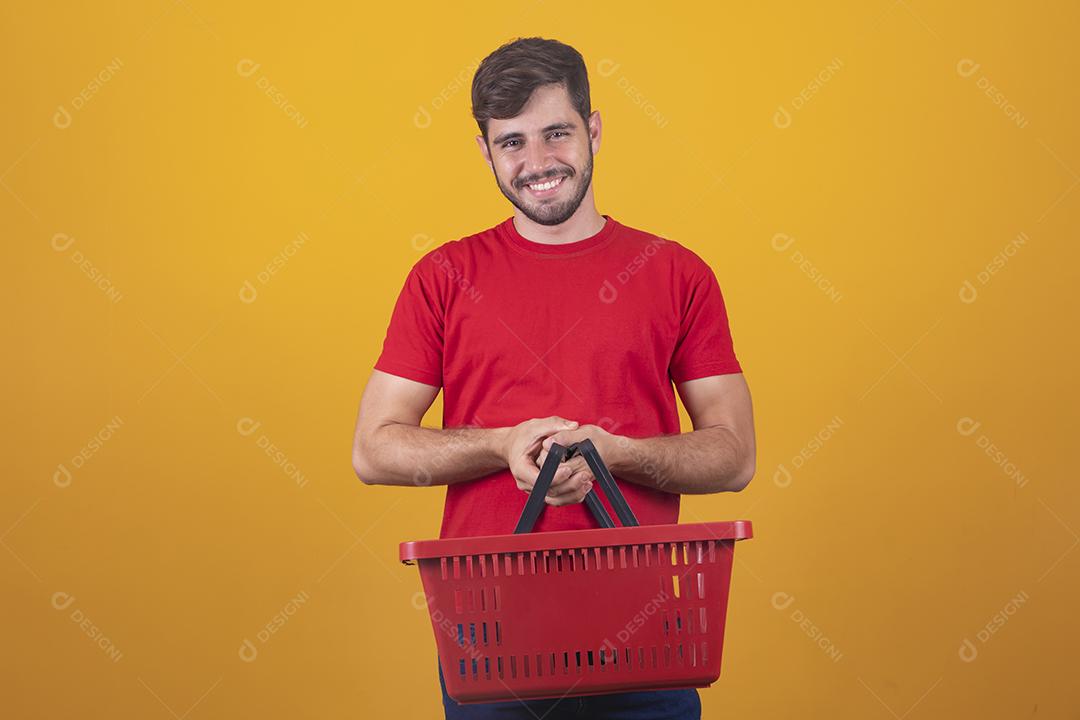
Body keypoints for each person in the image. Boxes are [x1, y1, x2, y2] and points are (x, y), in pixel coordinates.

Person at [352, 36, 756, 720]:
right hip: (491, 641)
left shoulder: (677, 274)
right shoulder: (442, 277)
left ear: (593, 129)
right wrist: (501, 444)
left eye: (557, 133)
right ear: (485, 152)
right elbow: (374, 449)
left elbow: (735, 454)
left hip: (646, 639)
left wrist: (613, 453)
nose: (537, 162)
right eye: (512, 142)